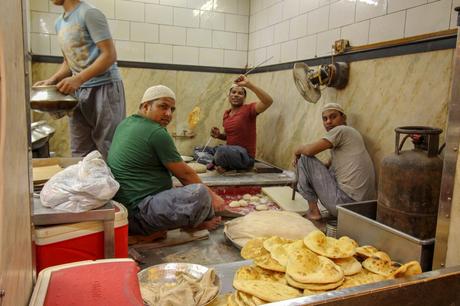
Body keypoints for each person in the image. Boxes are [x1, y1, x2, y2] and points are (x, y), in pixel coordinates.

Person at [107, 85, 225, 238]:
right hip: (139, 215)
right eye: (163, 107)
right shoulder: (156, 132)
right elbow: (185, 175)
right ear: (145, 106)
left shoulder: (126, 124)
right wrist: (214, 198)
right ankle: (193, 226)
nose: (168, 114)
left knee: (179, 188)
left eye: (172, 109)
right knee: (200, 192)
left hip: (122, 211)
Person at [34, 0, 125, 159]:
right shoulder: (59, 23)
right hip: (79, 91)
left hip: (104, 87)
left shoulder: (89, 13)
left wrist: (78, 79)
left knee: (107, 146)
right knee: (80, 149)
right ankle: (85, 184)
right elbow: (68, 62)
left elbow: (109, 55)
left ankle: (112, 184)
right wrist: (52, 80)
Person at [293, 103, 376, 221]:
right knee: (321, 167)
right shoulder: (349, 138)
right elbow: (330, 168)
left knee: (304, 159)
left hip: (346, 205)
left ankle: (313, 211)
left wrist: (297, 150)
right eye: (325, 119)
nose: (328, 122)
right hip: (362, 209)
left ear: (343, 118)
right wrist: (309, 174)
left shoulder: (342, 130)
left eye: (333, 117)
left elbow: (308, 151)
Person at [210, 75, 273, 173]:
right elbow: (229, 137)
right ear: (229, 95)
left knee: (221, 151)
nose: (236, 95)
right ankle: (224, 164)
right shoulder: (226, 114)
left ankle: (223, 165)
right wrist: (219, 135)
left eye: (240, 93)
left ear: (244, 97)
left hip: (245, 157)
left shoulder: (249, 109)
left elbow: (268, 101)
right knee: (211, 149)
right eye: (233, 92)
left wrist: (249, 85)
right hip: (232, 152)